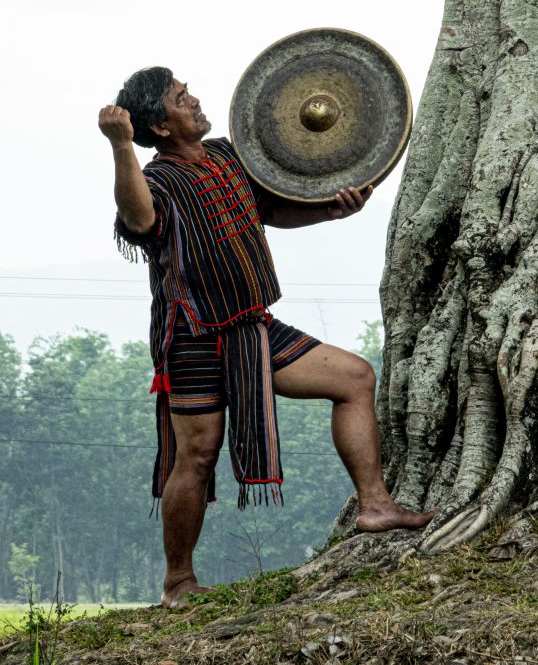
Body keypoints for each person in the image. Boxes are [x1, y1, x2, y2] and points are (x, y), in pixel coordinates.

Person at [98, 67, 432, 608]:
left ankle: (375, 504)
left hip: (254, 328)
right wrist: (119, 146)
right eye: (182, 99)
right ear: (161, 125)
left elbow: (271, 209)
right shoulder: (155, 180)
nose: (197, 100)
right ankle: (178, 581)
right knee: (198, 456)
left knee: (354, 377)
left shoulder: (229, 155)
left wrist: (330, 210)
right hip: (194, 335)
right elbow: (138, 220)